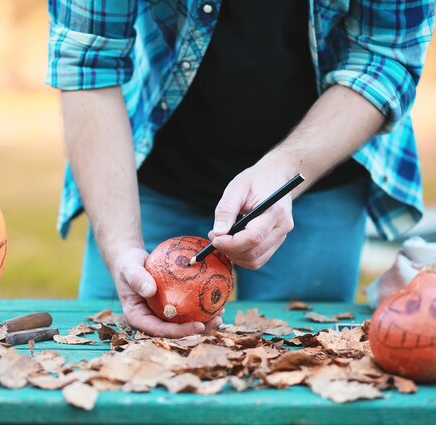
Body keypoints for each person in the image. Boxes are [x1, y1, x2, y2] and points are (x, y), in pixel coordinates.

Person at [46, 0, 434, 337]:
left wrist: (285, 168)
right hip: (153, 170)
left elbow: (385, 56)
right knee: (115, 354)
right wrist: (120, 247)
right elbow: (88, 61)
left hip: (322, 172)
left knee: (299, 363)